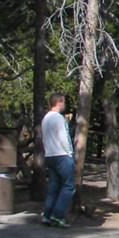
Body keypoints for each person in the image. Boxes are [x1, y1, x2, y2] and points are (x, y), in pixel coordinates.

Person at [41, 93, 76, 228]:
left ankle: (47, 215)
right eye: (64, 102)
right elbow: (63, 137)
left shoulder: (46, 118)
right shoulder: (59, 118)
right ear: (59, 102)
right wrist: (70, 153)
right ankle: (58, 214)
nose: (65, 104)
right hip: (62, 155)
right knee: (69, 186)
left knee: (54, 187)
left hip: (50, 155)